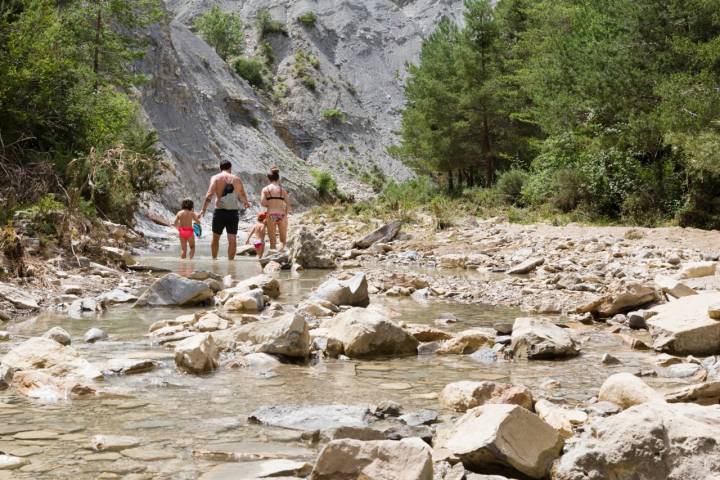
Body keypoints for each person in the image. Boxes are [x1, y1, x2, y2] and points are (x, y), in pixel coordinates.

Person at [198, 160, 251, 260]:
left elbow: (209, 194)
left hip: (220, 212)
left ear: (220, 168)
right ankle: (231, 263)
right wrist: (246, 202)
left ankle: (214, 260)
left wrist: (203, 209)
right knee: (232, 240)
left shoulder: (215, 178)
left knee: (215, 238)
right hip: (233, 213)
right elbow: (242, 194)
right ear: (230, 168)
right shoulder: (236, 179)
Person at [261, 166, 291, 250]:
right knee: (283, 240)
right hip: (282, 215)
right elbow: (288, 205)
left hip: (271, 214)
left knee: (272, 240)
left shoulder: (265, 189)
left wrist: (270, 204)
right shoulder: (283, 190)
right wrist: (285, 213)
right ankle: (281, 256)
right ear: (278, 178)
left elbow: (263, 202)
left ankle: (272, 259)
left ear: (269, 179)